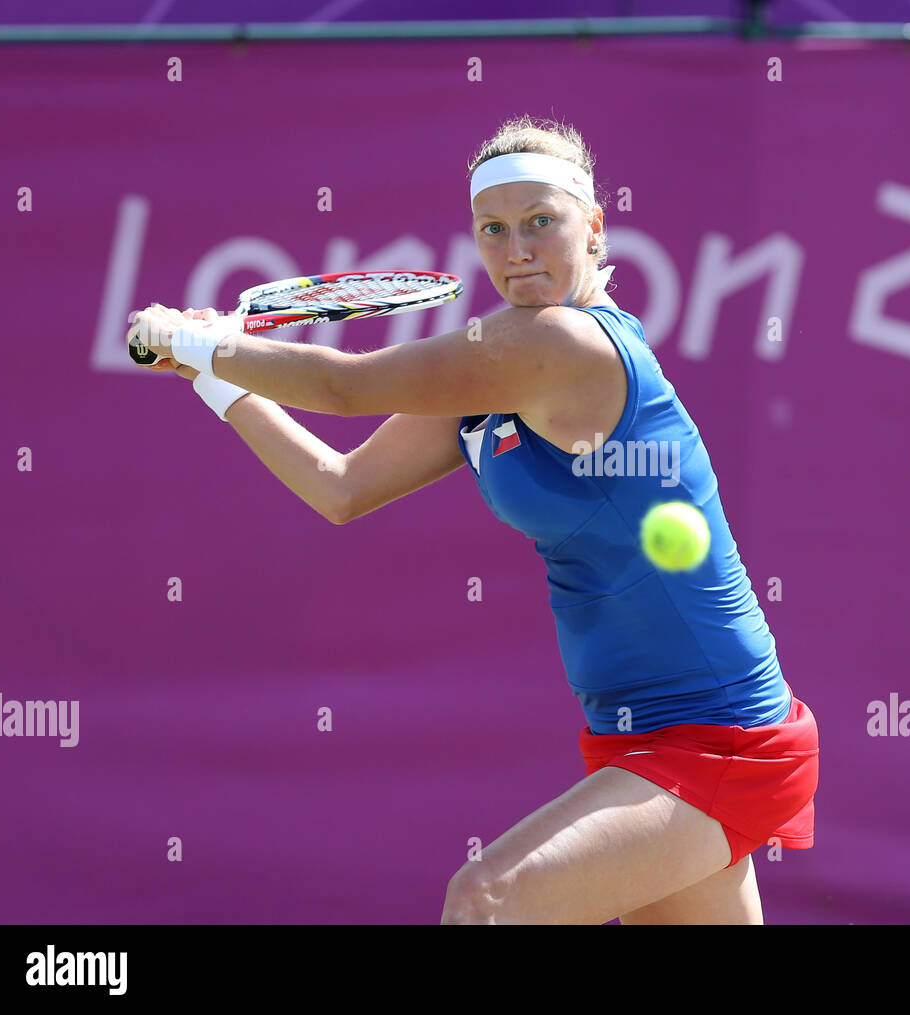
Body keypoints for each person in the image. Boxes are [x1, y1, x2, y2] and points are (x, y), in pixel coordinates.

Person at [131, 115, 818, 925]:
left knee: (485, 901)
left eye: (540, 222)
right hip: (633, 739)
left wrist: (199, 339)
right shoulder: (495, 378)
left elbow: (347, 388)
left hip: (721, 736)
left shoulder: (563, 343)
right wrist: (215, 381)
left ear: (593, 228)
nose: (516, 249)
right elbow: (341, 486)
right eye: (493, 230)